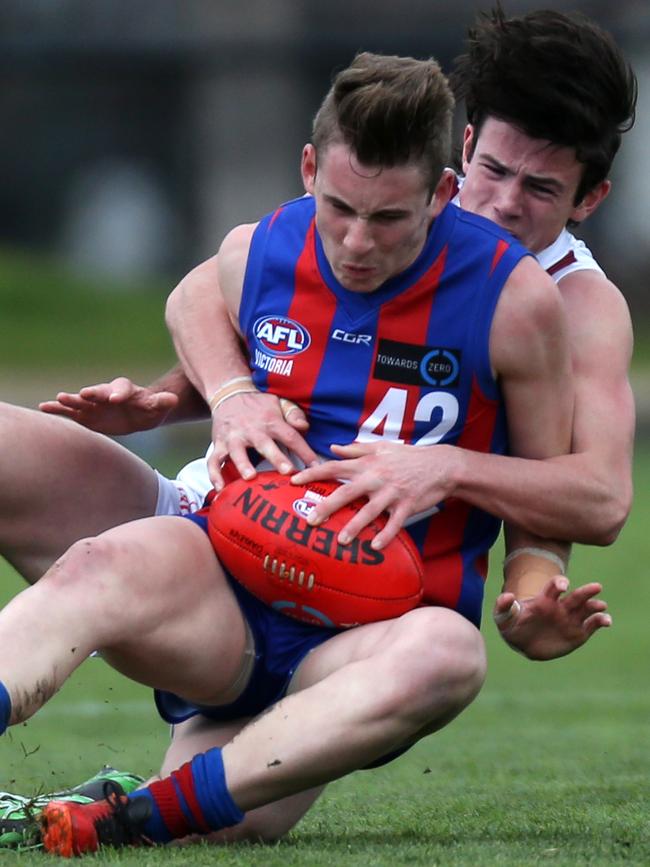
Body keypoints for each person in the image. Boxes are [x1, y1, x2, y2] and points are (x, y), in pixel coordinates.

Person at [0, 50, 598, 856]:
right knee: (98, 566)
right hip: (222, 588)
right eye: (338, 207)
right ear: (309, 168)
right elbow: (192, 297)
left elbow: (553, 503)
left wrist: (534, 586)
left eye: (390, 220)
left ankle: (135, 814)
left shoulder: (516, 301)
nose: (356, 242)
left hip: (363, 642)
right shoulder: (265, 245)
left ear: (442, 194)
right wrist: (228, 391)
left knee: (451, 655)